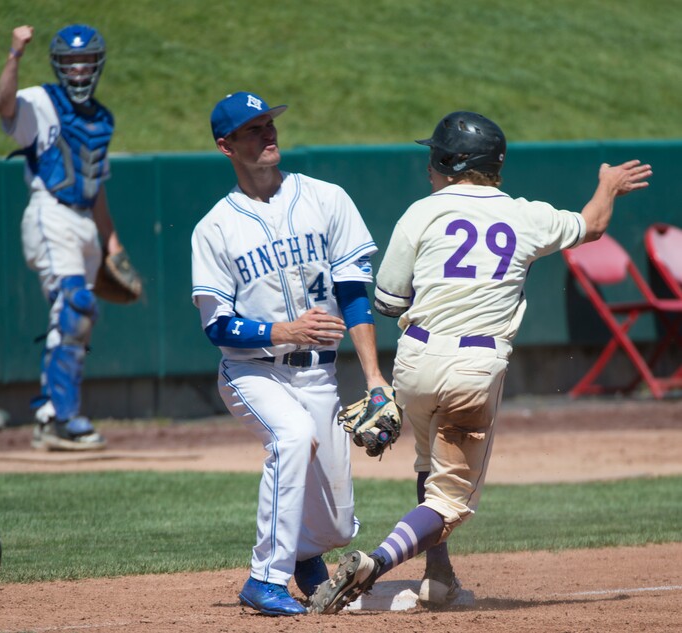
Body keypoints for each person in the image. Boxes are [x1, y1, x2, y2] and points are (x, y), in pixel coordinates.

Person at [308, 110, 653, 614]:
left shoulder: (421, 212)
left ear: (451, 161)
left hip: (416, 360)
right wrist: (607, 185)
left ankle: (439, 578)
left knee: (429, 468)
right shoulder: (526, 215)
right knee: (450, 502)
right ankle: (374, 564)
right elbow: (594, 225)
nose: (429, 165)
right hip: (473, 370)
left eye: (434, 155)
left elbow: (386, 301)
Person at [190, 91, 392, 616]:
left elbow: (352, 293)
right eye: (253, 129)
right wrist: (284, 330)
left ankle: (303, 553)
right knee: (292, 437)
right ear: (226, 145)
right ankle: (265, 578)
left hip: (320, 378)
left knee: (338, 527)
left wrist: (375, 380)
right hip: (252, 373)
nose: (268, 134)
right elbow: (217, 326)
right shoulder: (215, 228)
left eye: (269, 124)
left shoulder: (326, 199)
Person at [0, 24, 128, 451]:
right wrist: (14, 55)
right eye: (70, 61)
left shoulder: (103, 118)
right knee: (73, 306)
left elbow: (96, 185)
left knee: (81, 323)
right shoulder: (40, 100)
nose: (78, 68)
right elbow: (3, 107)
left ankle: (61, 416)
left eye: (85, 59)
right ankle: (56, 416)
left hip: (85, 222)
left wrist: (112, 242)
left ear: (97, 63)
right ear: (57, 64)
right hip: (49, 212)